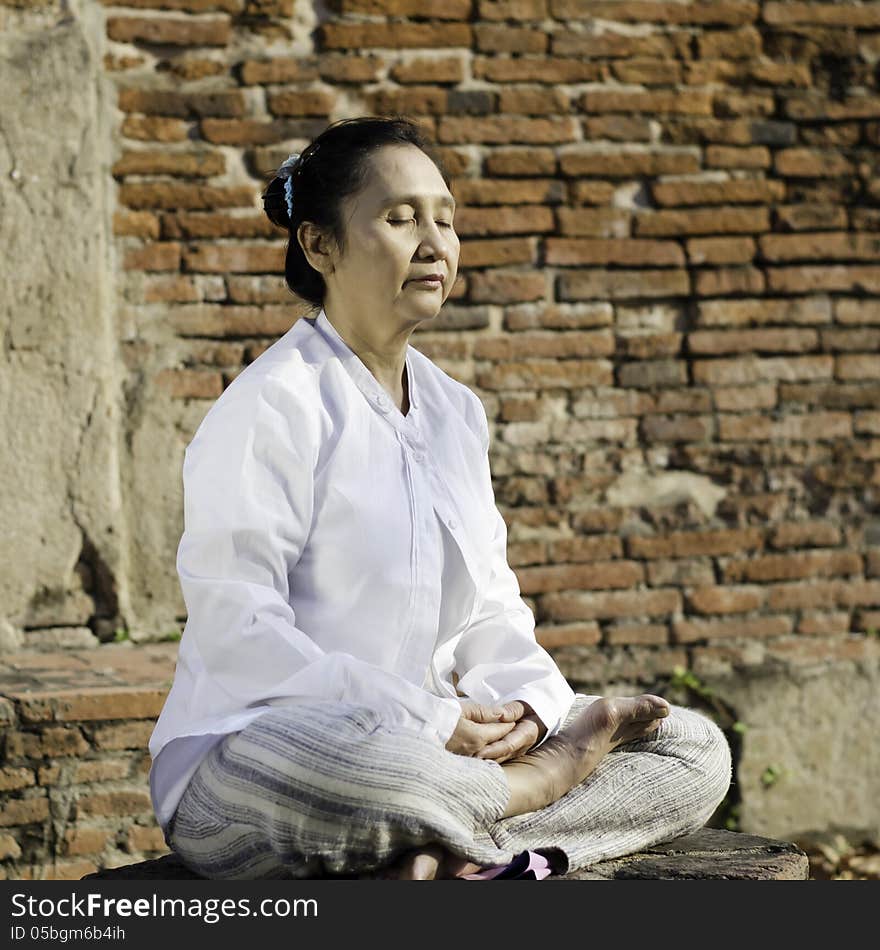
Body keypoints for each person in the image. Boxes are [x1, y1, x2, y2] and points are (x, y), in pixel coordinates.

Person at [148, 115, 732, 881]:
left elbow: (491, 604)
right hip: (264, 755)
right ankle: (525, 800)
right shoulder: (272, 405)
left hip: (437, 744)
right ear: (319, 245)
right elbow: (238, 631)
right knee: (390, 776)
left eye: (445, 219)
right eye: (399, 218)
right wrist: (434, 723)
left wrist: (524, 707)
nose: (434, 242)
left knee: (694, 749)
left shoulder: (455, 411)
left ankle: (445, 848)